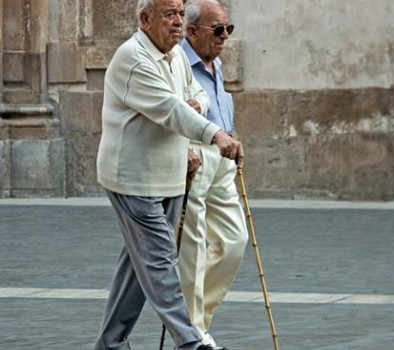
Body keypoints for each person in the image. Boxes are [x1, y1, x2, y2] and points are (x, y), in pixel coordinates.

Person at [94, 0, 242, 349]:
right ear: (145, 19)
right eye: (169, 15)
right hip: (133, 179)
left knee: (135, 268)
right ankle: (190, 342)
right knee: (160, 262)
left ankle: (110, 344)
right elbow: (168, 107)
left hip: (171, 175)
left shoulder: (176, 55)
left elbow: (196, 96)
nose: (177, 22)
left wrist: (195, 107)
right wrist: (215, 133)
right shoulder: (133, 57)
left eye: (180, 13)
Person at [177, 1, 248, 349]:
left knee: (235, 242)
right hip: (195, 157)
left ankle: (197, 321)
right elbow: (171, 113)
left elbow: (220, 105)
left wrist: (233, 138)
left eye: (228, 30)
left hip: (222, 157)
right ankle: (192, 334)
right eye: (217, 30)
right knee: (193, 247)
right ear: (191, 31)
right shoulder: (177, 63)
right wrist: (181, 148)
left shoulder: (215, 62)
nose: (224, 37)